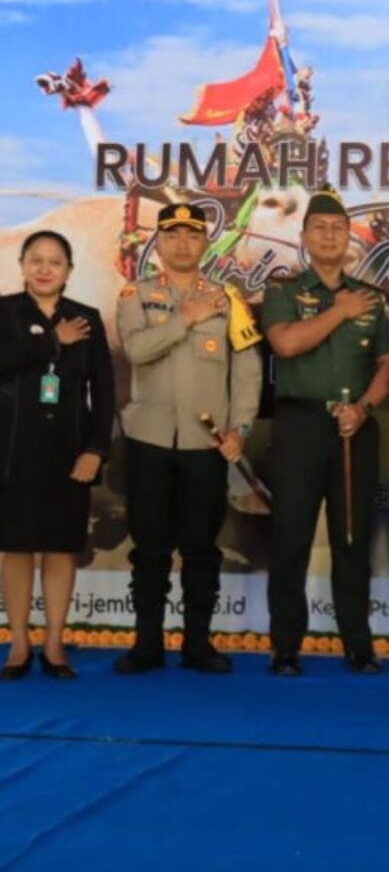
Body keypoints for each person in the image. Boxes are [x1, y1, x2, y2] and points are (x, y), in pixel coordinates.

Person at [114, 203, 262, 675]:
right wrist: (187, 319)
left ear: (204, 243)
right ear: (158, 243)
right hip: (149, 440)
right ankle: (147, 645)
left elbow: (247, 370)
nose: (182, 243)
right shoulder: (136, 294)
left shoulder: (228, 298)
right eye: (172, 235)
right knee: (150, 548)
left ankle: (198, 644)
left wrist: (240, 428)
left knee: (202, 548)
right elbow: (137, 348)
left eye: (191, 236)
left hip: (207, 444)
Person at [262, 186, 389, 677]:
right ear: (303, 236)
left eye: (338, 228)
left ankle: (358, 646)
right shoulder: (282, 291)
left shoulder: (375, 299)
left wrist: (362, 408)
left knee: (352, 538)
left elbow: (387, 363)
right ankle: (285, 647)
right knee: (291, 537)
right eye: (319, 227)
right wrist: (339, 311)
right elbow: (287, 344)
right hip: (300, 424)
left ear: (349, 239)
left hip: (354, 427)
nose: (328, 235)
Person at [0, 231, 114, 680]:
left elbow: (104, 392)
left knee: (61, 549)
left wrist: (95, 449)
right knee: (17, 548)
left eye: (55, 262)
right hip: (12, 453)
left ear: (69, 270)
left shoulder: (85, 319)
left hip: (70, 454)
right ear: (23, 264)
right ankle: (18, 644)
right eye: (36, 260)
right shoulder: (5, 312)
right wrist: (52, 342)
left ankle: (53, 644)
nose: (45, 269)